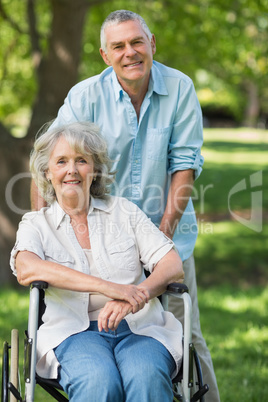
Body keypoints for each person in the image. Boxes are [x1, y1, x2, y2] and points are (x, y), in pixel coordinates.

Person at [31, 10, 220, 401]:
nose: (130, 52)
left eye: (137, 42)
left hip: (163, 238)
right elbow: (53, 156)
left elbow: (184, 165)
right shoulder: (86, 96)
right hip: (94, 242)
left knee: (187, 338)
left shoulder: (180, 88)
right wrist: (45, 230)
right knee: (97, 345)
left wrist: (158, 240)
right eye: (118, 46)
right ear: (105, 55)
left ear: (152, 45)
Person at [11, 121, 185, 402]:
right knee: (97, 383)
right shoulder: (36, 224)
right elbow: (27, 268)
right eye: (62, 161)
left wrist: (132, 298)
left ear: (94, 170)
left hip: (140, 326)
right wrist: (110, 288)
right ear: (47, 172)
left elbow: (172, 264)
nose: (72, 170)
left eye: (81, 160)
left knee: (147, 378)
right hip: (73, 332)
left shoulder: (124, 212)